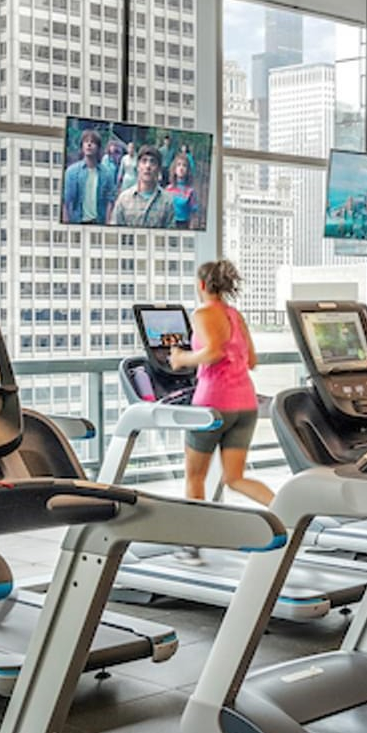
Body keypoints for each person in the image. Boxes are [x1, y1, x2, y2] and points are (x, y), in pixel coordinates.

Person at [168, 260, 272, 506]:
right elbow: (252, 360)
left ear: (201, 284)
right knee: (234, 478)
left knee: (195, 477)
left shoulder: (202, 313)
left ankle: (197, 537)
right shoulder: (235, 315)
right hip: (246, 404)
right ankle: (288, 511)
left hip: (213, 404)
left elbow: (215, 353)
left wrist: (181, 358)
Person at [111, 144, 175, 227]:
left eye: (152, 162)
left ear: (159, 168)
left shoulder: (167, 201)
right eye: (144, 161)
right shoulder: (124, 199)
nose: (148, 166)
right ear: (138, 166)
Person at [64, 128, 117, 224]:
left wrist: (108, 222)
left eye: (93, 142)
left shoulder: (107, 173)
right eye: (86, 142)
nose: (89, 144)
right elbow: (66, 201)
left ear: (98, 147)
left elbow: (110, 200)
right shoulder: (72, 171)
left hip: (99, 221)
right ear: (82, 146)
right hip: (78, 221)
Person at [165, 150, 199, 228]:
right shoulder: (168, 189)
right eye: (179, 165)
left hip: (183, 225)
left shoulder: (190, 192)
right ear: (174, 169)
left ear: (188, 170)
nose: (181, 168)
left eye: (184, 165)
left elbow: (194, 214)